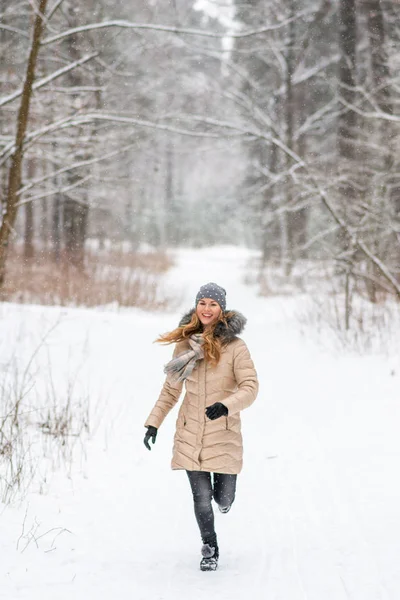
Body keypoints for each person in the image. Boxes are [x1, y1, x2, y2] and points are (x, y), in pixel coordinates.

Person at [143, 282, 258, 571]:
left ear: (222, 310)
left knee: (223, 497)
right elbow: (170, 390)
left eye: (213, 304)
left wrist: (227, 405)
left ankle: (226, 500)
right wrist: (153, 423)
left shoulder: (235, 347)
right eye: (202, 302)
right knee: (201, 497)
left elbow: (250, 387)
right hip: (190, 431)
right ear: (196, 306)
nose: (206, 309)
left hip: (223, 432)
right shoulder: (185, 345)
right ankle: (209, 546)